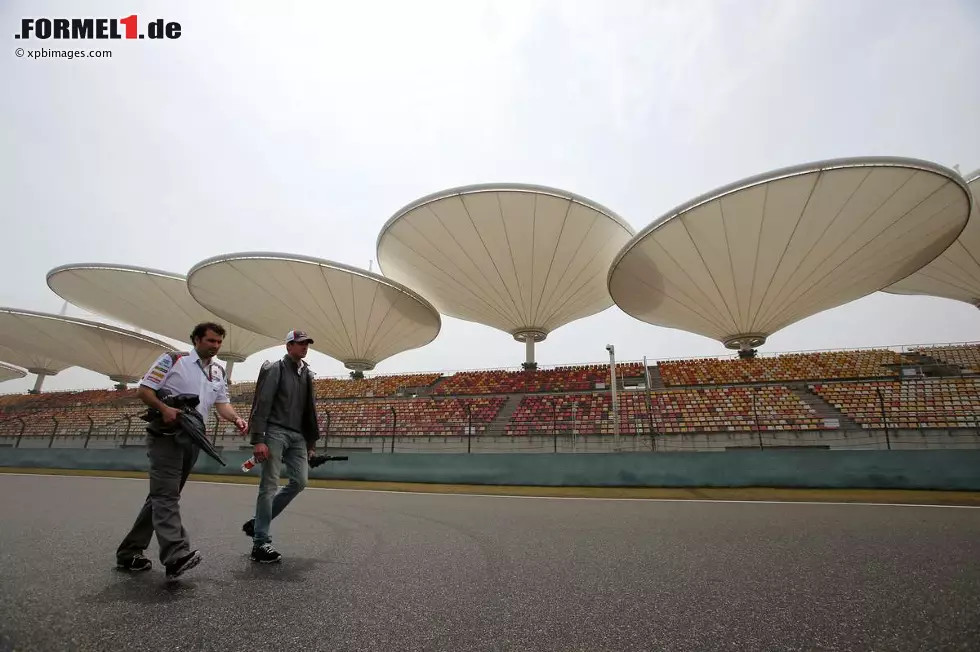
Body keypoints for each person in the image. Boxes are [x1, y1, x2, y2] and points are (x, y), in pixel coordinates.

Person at [115, 322, 248, 580]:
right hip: (166, 435)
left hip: (194, 438)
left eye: (219, 342)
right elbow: (144, 391)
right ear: (197, 339)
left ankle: (129, 552)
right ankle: (176, 555)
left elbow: (222, 404)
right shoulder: (173, 359)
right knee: (166, 495)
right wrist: (165, 409)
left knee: (162, 496)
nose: (215, 346)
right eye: (210, 341)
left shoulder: (219, 371)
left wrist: (237, 419)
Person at [242, 329, 319, 563]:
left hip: (298, 436)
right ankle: (260, 542)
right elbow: (262, 402)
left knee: (300, 482)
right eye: (299, 343)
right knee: (269, 485)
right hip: (275, 431)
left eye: (306, 344)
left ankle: (257, 523)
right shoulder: (274, 368)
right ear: (288, 347)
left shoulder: (307, 374)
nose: (304, 347)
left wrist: (311, 441)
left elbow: (310, 410)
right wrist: (259, 439)